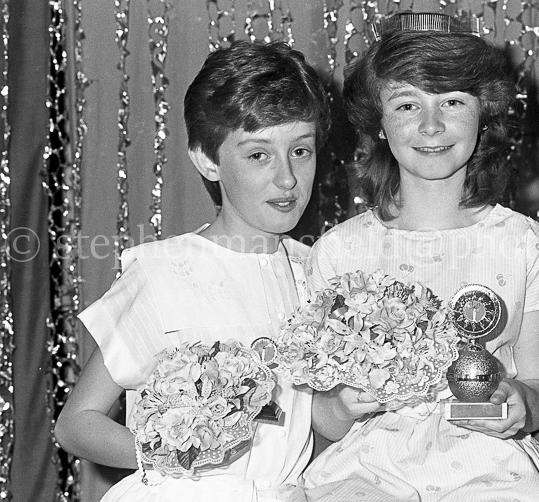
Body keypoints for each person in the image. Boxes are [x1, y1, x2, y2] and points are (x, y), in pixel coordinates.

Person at [301, 11, 539, 502]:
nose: (431, 125)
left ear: (482, 115)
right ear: (379, 123)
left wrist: (520, 402)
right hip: (370, 470)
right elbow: (323, 414)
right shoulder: (339, 252)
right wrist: (341, 405)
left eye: (452, 101)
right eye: (407, 105)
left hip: (488, 467)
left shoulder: (524, 243)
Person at [54, 40, 331, 501]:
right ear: (207, 159)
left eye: (300, 151)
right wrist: (170, 452)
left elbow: (313, 425)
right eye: (258, 155)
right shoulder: (164, 273)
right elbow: (76, 424)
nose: (286, 179)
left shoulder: (313, 272)